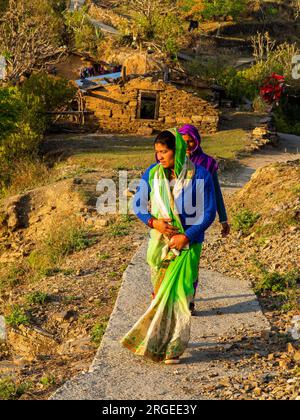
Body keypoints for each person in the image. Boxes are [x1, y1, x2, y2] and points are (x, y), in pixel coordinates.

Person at [120, 129, 216, 364]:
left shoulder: (200, 176)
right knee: (160, 294)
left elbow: (208, 212)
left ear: (178, 151)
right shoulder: (152, 175)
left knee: (181, 296)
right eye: (157, 152)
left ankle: (173, 346)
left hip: (187, 245)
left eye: (164, 151)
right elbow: (138, 203)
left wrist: (187, 236)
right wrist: (154, 223)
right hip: (160, 244)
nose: (159, 156)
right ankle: (156, 341)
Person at [178, 124, 230, 314]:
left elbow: (216, 192)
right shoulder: (175, 161)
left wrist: (222, 218)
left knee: (191, 263)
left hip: (196, 220)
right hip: (174, 221)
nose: (188, 146)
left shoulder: (207, 163)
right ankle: (165, 298)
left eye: (191, 141)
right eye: (183, 143)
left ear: (197, 140)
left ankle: (189, 300)